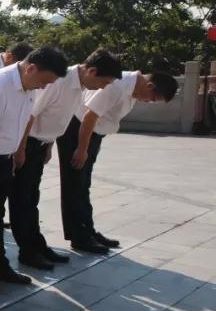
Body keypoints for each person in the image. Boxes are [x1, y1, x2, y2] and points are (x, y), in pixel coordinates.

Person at [0, 47, 68, 293]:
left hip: (3, 160)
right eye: (43, 81)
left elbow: (23, 119)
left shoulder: (28, 86)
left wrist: (19, 150)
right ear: (31, 68)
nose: (42, 87)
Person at [10, 49, 123, 268]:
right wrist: (21, 149)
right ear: (91, 71)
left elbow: (55, 117)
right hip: (28, 144)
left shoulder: (79, 85)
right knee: (22, 200)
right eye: (104, 81)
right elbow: (30, 114)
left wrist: (49, 144)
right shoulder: (59, 81)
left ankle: (37, 245)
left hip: (41, 144)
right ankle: (28, 251)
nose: (104, 87)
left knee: (32, 198)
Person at [59, 70, 178, 254]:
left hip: (92, 132)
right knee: (74, 183)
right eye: (152, 98)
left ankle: (88, 231)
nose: (148, 102)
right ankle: (79, 237)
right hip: (78, 129)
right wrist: (82, 149)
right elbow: (89, 116)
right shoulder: (117, 86)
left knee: (83, 184)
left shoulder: (133, 88)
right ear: (150, 86)